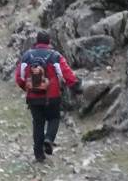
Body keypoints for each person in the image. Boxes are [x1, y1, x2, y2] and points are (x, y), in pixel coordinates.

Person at [16, 30, 82, 161]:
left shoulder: (27, 56)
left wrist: (27, 88)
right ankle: (49, 139)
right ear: (49, 42)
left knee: (38, 123)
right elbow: (66, 74)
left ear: (36, 42)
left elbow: (19, 77)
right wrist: (76, 89)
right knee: (54, 118)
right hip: (52, 96)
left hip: (33, 97)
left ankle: (38, 154)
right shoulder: (54, 56)